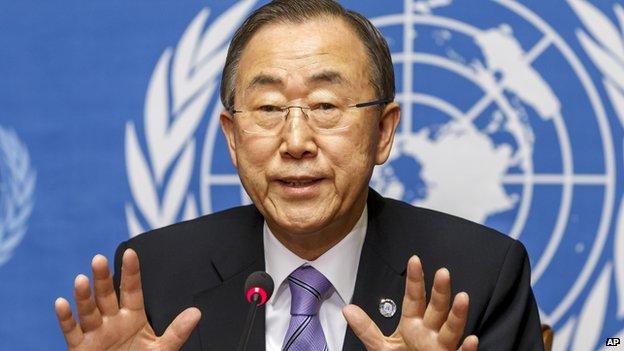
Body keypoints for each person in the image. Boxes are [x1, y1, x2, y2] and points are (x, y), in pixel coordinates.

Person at [54, 0, 544, 350]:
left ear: (383, 132)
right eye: (267, 108)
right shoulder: (157, 277)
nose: (295, 143)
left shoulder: (479, 277)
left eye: (326, 106)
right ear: (231, 137)